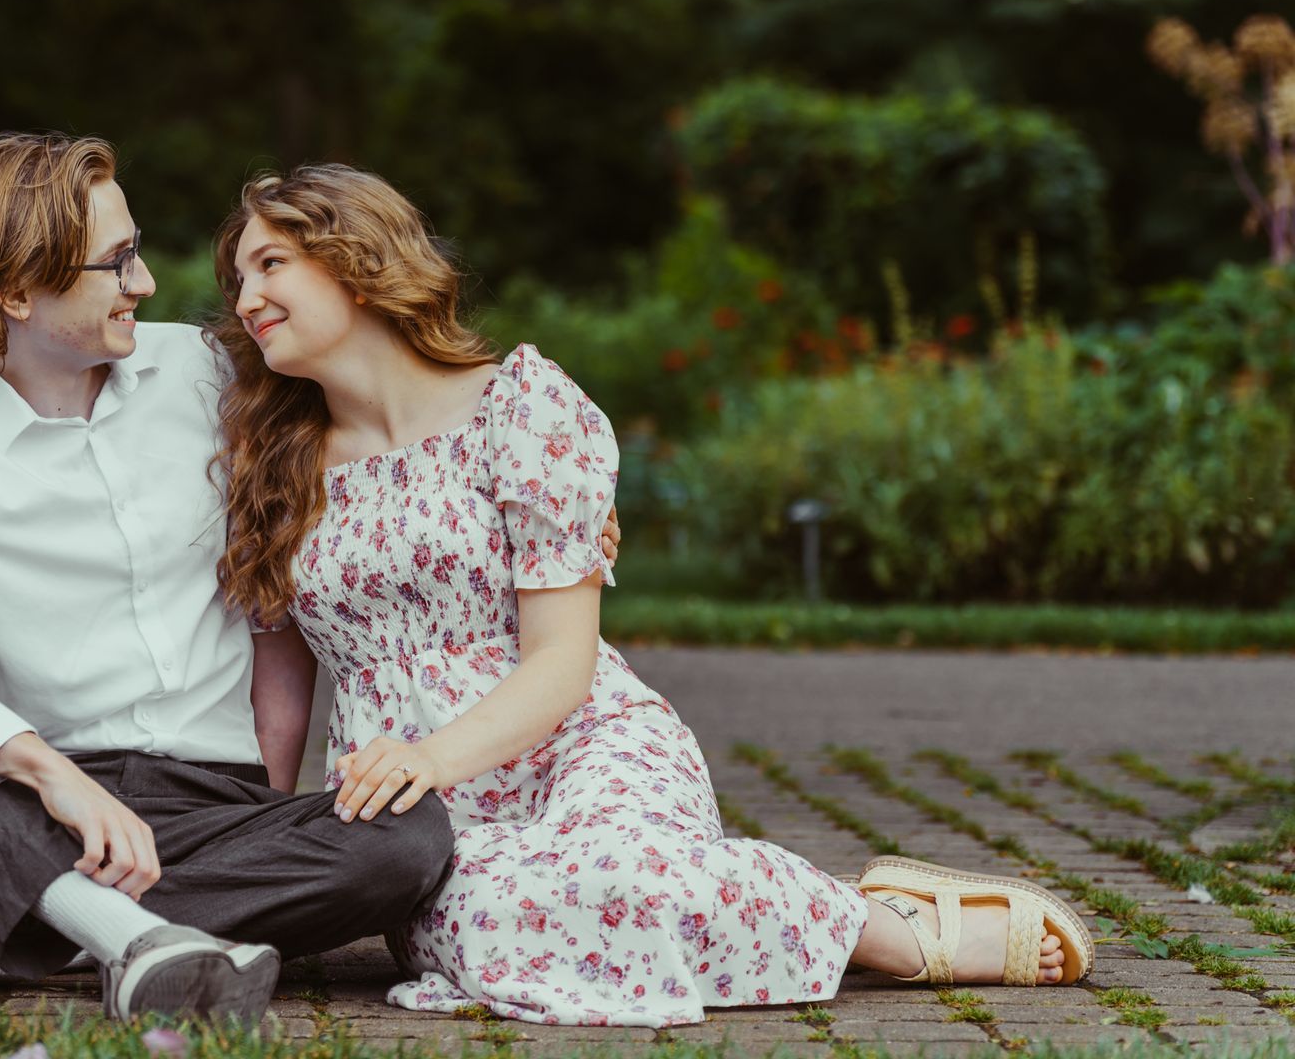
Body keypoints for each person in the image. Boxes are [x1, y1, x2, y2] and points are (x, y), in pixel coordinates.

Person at [209, 164, 1095, 1028]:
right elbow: (278, 691)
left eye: (271, 264)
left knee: (628, 881)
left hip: (579, 741)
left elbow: (564, 661)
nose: (246, 298)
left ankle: (890, 932)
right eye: (238, 277)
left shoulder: (521, 410)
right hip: (420, 814)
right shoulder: (276, 467)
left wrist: (433, 754)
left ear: (357, 262)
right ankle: (839, 912)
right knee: (492, 923)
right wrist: (266, 866)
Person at [0, 134, 469, 1021]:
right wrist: (44, 771)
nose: (144, 283)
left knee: (405, 841)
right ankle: (127, 942)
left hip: (211, 805)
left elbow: (371, 399)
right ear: (16, 290)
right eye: (115, 264)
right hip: (13, 807)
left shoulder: (203, 372)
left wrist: (509, 465)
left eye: (136, 251)